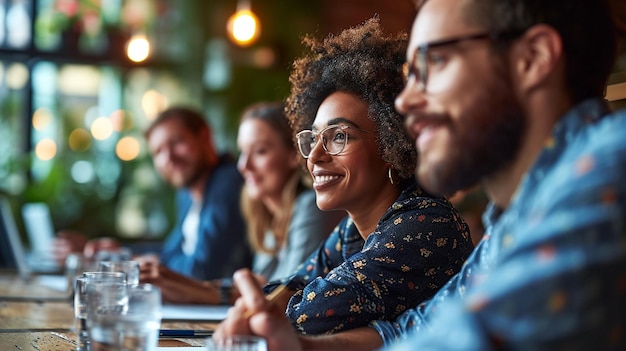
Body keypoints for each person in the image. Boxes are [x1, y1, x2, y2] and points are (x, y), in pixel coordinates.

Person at [214, 0, 626, 350]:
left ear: (532, 59)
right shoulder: (513, 219)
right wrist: (302, 346)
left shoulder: (612, 165)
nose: (406, 102)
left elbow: (465, 339)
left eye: (434, 62)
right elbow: (414, 327)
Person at [223, 18, 473, 336]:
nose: (314, 157)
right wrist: (261, 304)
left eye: (339, 136)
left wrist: (258, 308)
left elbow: (309, 315)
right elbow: (292, 285)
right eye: (313, 139)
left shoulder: (425, 224)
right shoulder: (351, 231)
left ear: (392, 144)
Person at [139, 102, 344, 304]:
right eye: (242, 152)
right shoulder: (267, 215)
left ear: (294, 154)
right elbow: (261, 285)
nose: (243, 166)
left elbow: (288, 296)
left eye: (260, 151)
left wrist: (212, 292)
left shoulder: (312, 207)